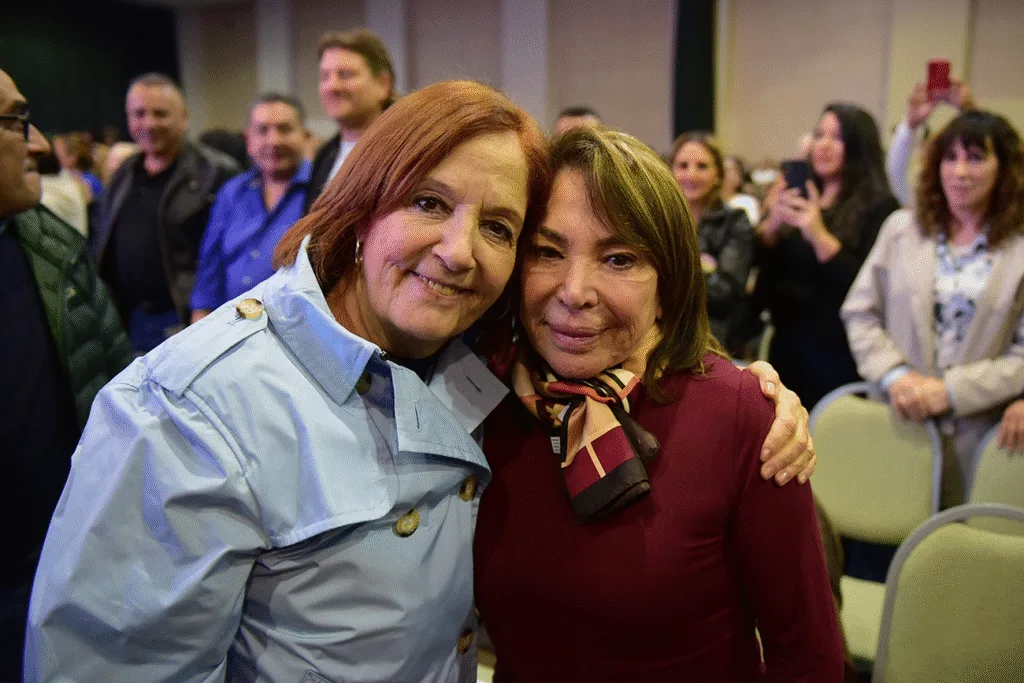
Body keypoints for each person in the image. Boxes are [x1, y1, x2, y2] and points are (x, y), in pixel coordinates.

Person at [26, 81, 814, 681]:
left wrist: (752, 394)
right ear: (362, 202)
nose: (460, 251)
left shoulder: (481, 371)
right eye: (429, 202)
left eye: (498, 227)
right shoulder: (186, 406)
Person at [474, 126, 843, 681]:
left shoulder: (742, 417)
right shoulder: (484, 400)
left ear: (668, 283)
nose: (574, 291)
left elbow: (808, 658)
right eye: (547, 252)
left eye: (618, 259)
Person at [0, 68, 131, 683]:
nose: (38, 143)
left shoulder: (51, 245)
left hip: (62, 561)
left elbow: (115, 387)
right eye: (14, 122)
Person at [842, 109, 1024, 506]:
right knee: (883, 526)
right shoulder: (902, 229)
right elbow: (860, 313)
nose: (960, 172)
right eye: (950, 157)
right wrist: (895, 376)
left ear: (1005, 168)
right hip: (899, 419)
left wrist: (952, 391)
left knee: (958, 538)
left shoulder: (1019, 247)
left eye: (975, 158)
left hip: (980, 433)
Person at [754, 103, 900, 409]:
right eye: (819, 135)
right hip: (786, 345)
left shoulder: (880, 207)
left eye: (837, 137)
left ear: (858, 145)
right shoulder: (801, 192)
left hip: (836, 352)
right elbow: (765, 276)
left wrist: (818, 235)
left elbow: (866, 287)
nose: (823, 145)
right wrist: (771, 228)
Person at [90, 73, 240, 353]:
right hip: (129, 318)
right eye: (139, 114)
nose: (149, 123)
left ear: (184, 118)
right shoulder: (124, 173)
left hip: (187, 318)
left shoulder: (216, 172)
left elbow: (229, 252)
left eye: (160, 114)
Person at [190, 94, 312, 321]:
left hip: (296, 329)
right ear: (248, 140)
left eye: (284, 129)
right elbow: (210, 271)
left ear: (305, 136)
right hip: (231, 326)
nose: (273, 141)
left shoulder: (323, 190)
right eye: (262, 130)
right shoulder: (231, 192)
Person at [671, 131, 753, 351]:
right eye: (683, 166)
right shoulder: (659, 218)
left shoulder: (735, 221)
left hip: (714, 335)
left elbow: (725, 295)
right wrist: (704, 267)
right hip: (661, 328)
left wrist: (675, 267)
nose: (691, 175)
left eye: (702, 166)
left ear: (718, 174)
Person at [304, 28, 395, 213]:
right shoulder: (324, 155)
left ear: (383, 84)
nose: (332, 86)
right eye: (325, 76)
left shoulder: (403, 149)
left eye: (345, 75)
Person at [886, 78, 974, 206]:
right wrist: (910, 124)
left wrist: (971, 112)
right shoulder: (919, 201)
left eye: (951, 157)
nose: (960, 172)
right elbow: (895, 174)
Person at [722, 153, 760, 224]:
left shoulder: (747, 202)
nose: (722, 175)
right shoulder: (708, 203)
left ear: (739, 177)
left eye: (727, 170)